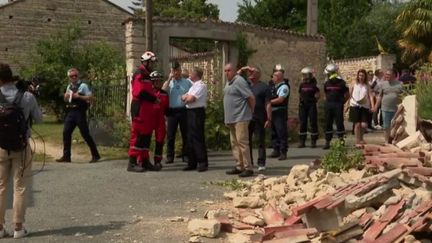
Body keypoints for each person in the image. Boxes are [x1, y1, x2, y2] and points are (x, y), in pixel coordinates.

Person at [0, 63, 42, 238]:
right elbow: (39, 119)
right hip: (22, 146)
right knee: (20, 186)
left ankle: (0, 228)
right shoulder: (27, 96)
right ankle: (18, 227)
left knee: (1, 186)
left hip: (1, 146)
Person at [56, 68, 100, 163]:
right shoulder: (69, 87)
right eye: (72, 76)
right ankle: (66, 156)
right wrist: (65, 97)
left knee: (85, 134)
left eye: (76, 75)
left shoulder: (83, 86)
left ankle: (95, 155)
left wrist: (79, 96)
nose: (74, 77)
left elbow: (91, 97)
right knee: (66, 132)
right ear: (69, 77)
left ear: (78, 76)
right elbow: (67, 100)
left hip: (80, 112)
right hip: (71, 112)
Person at [127, 51, 159, 172]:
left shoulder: (148, 74)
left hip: (147, 109)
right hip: (140, 108)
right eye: (151, 62)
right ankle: (132, 162)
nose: (153, 65)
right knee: (138, 136)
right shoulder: (139, 74)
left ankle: (144, 161)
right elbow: (138, 92)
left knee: (146, 136)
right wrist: (154, 98)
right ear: (145, 62)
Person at [223, 63, 256, 177]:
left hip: (241, 117)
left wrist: (251, 112)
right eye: (225, 71)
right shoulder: (230, 81)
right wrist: (242, 69)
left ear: (234, 71)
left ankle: (248, 168)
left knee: (242, 143)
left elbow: (251, 97)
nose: (227, 73)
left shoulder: (239, 81)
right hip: (231, 118)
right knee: (234, 144)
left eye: (229, 70)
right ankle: (239, 166)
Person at [238, 66, 271, 171]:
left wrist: (269, 119)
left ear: (259, 74)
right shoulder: (245, 85)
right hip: (246, 117)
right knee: (246, 141)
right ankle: (249, 162)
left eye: (253, 72)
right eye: (249, 73)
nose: (251, 74)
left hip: (259, 117)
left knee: (260, 140)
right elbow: (235, 78)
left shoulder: (264, 87)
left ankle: (261, 162)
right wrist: (243, 69)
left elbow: (268, 103)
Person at [162, 61, 192, 164]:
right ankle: (170, 156)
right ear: (172, 71)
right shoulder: (169, 83)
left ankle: (186, 155)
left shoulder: (187, 82)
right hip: (172, 112)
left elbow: (194, 90)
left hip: (184, 110)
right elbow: (162, 90)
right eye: (174, 71)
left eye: (178, 70)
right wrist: (170, 78)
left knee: (186, 134)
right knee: (170, 135)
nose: (177, 73)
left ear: (180, 70)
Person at [181, 67, 209, 172]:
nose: (189, 75)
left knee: (197, 137)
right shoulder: (193, 86)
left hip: (197, 112)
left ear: (196, 75)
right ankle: (192, 162)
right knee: (189, 138)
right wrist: (185, 98)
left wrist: (186, 98)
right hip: (189, 112)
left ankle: (202, 162)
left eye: (191, 73)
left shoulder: (201, 86)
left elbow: (190, 99)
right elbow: (184, 97)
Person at [323, 63, 349, 150]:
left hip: (338, 105)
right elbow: (325, 94)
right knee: (328, 124)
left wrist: (342, 102)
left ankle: (341, 141)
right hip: (329, 105)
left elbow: (347, 94)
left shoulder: (342, 83)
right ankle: (327, 142)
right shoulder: (327, 83)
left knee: (339, 123)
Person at [373, 69, 404, 143]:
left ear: (394, 75)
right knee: (386, 126)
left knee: (396, 126)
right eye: (386, 74)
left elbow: (405, 96)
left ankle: (395, 141)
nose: (386, 76)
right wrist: (376, 106)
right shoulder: (382, 84)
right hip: (385, 108)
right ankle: (386, 141)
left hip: (397, 110)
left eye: (388, 74)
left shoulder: (400, 84)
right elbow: (380, 96)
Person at [349, 69, 374, 145]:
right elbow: (350, 95)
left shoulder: (367, 85)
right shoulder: (353, 83)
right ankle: (357, 141)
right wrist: (347, 105)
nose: (361, 77)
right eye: (360, 75)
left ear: (365, 76)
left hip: (364, 106)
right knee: (357, 125)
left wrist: (372, 106)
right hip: (354, 105)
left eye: (362, 75)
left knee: (364, 125)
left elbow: (371, 96)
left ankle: (361, 138)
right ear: (358, 76)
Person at [269, 69, 289, 160]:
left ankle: (283, 152)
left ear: (278, 77)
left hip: (280, 112)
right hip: (273, 111)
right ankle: (275, 150)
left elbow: (280, 99)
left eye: (273, 76)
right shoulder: (274, 86)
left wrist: (268, 102)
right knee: (274, 132)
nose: (272, 78)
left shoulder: (284, 87)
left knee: (281, 132)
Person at [151, 71, 169, 171]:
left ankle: (157, 160)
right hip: (149, 118)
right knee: (145, 139)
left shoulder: (164, 94)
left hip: (160, 119)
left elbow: (166, 108)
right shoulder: (149, 92)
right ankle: (142, 160)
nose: (158, 83)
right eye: (155, 81)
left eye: (159, 81)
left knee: (160, 140)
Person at [298, 67, 320, 148]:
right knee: (303, 123)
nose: (304, 77)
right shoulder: (302, 85)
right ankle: (302, 141)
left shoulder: (313, 84)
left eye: (306, 75)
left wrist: (314, 101)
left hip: (311, 105)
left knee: (313, 122)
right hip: (302, 106)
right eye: (303, 75)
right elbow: (300, 94)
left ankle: (313, 141)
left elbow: (318, 95)